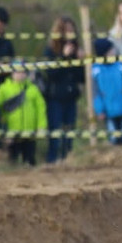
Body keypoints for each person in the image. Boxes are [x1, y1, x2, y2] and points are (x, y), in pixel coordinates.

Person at [38, 15, 84, 163]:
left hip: (71, 98)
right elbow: (51, 74)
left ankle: (67, 161)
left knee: (69, 134)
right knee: (56, 136)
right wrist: (63, 57)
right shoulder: (51, 50)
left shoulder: (77, 50)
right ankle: (52, 162)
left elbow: (81, 77)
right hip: (55, 98)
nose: (70, 32)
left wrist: (80, 61)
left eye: (72, 29)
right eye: (67, 29)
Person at [0, 60, 46, 165]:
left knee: (30, 160)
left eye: (22, 72)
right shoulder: (3, 89)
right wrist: (3, 130)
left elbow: (41, 109)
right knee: (12, 161)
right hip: (12, 132)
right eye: (17, 72)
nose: (19, 74)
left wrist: (41, 126)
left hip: (29, 132)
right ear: (11, 73)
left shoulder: (33, 89)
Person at [91, 37, 122, 146]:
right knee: (113, 139)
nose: (113, 52)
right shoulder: (96, 70)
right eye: (110, 50)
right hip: (108, 112)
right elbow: (95, 93)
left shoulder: (121, 67)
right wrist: (99, 110)